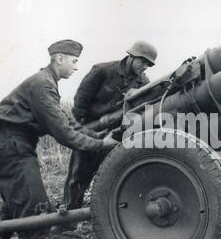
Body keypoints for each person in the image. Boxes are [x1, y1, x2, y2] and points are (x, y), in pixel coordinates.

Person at [0, 40, 118, 239]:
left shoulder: (46, 83)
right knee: (36, 213)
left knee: (14, 203)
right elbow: (63, 132)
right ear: (59, 58)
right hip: (12, 146)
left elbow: (69, 123)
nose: (76, 67)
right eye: (74, 61)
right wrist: (101, 145)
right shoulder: (43, 85)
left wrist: (101, 136)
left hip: (10, 145)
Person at [62, 41, 157, 217]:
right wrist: (79, 130)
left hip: (117, 134)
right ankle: (68, 217)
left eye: (148, 65)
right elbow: (81, 101)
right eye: (143, 62)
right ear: (132, 56)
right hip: (91, 129)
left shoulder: (143, 82)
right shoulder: (102, 70)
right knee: (79, 175)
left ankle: (110, 217)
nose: (145, 67)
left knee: (114, 175)